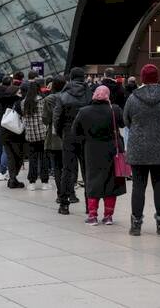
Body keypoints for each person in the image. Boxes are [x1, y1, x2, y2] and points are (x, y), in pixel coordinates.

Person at [124, 64, 160, 236]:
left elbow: (127, 121)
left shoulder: (132, 98)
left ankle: (136, 224)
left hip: (138, 149)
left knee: (138, 186)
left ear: (142, 78)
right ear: (158, 77)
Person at [72, 85, 127, 225]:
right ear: (107, 95)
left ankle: (92, 215)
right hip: (111, 150)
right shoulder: (114, 110)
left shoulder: (84, 111)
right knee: (111, 182)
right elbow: (122, 124)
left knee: (93, 181)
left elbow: (75, 131)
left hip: (91, 150)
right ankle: (108, 216)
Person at [54, 67, 92, 214]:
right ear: (83, 78)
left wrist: (61, 133)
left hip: (68, 134)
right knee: (87, 170)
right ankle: (90, 205)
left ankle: (64, 204)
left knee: (67, 170)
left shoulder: (63, 95)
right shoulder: (90, 94)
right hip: (86, 136)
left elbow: (57, 119)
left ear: (70, 78)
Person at [19, 81, 50, 191]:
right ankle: (44, 182)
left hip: (30, 134)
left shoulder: (23, 103)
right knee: (44, 158)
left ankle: (31, 182)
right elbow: (46, 116)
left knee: (32, 158)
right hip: (42, 134)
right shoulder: (43, 101)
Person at [43, 76, 65, 204]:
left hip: (54, 136)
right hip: (69, 135)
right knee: (69, 166)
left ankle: (60, 193)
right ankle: (71, 193)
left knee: (57, 166)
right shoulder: (69, 98)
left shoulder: (49, 99)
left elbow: (45, 119)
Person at [0, 78, 24, 188]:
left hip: (4, 131)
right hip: (16, 133)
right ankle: (13, 178)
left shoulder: (1, 99)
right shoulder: (18, 102)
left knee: (10, 156)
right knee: (18, 157)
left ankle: (12, 178)